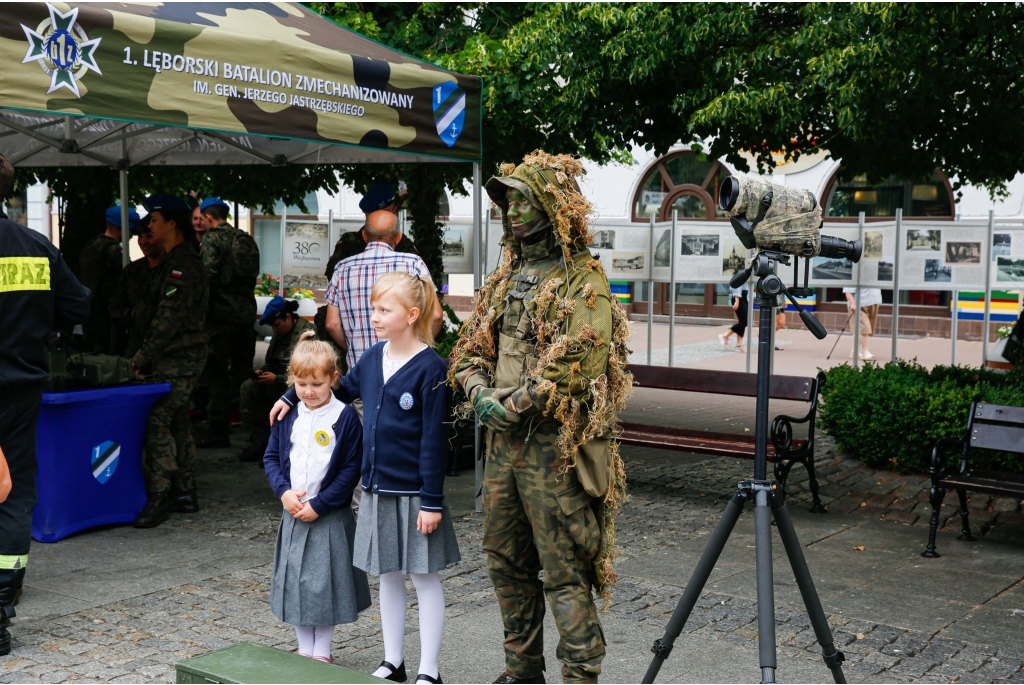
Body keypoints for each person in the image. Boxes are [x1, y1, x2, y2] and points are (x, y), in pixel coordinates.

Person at [449, 151, 631, 684]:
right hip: (503, 452)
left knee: (564, 569)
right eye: (509, 201)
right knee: (505, 561)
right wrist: (480, 392)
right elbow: (469, 348)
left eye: (525, 200)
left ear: (554, 207)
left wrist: (515, 405)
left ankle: (579, 675)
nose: (513, 211)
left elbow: (581, 362)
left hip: (554, 452)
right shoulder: (507, 276)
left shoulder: (584, 279)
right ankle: (521, 671)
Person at [273, 272, 459, 685]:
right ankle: (394, 662)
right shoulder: (374, 356)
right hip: (377, 491)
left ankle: (429, 670)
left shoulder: (432, 369)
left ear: (411, 315)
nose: (373, 316)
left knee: (424, 579)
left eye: (383, 310)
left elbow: (435, 442)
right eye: (373, 308)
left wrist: (432, 501)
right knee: (388, 577)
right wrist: (290, 395)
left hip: (415, 494)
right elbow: (334, 391)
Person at [0, 151, 91, 656]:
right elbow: (79, 304)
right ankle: (3, 599)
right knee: (12, 495)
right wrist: (36, 328)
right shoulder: (35, 247)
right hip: (20, 385)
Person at [263, 330, 370, 664]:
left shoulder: (345, 417)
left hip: (329, 515)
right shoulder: (288, 414)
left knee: (324, 584)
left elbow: (351, 469)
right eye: (301, 385)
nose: (308, 393)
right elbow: (270, 458)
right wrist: (283, 493)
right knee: (296, 581)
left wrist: (321, 504)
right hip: (294, 511)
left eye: (317, 385)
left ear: (334, 379)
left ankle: (322, 650)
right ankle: (303, 647)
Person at [131, 194, 209, 528]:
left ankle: (160, 495)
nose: (149, 226)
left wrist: (141, 358)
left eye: (154, 220)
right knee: (176, 419)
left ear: (171, 223)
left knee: (156, 417)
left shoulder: (181, 265)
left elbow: (168, 318)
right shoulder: (176, 259)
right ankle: (184, 491)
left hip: (179, 354)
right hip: (179, 353)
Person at [324, 210, 442, 376]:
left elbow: (332, 324)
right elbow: (436, 316)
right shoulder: (413, 263)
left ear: (364, 236)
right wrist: (417, 345)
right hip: (407, 372)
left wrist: (354, 346)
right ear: (398, 237)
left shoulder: (342, 268)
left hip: (361, 375)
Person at [196, 197, 260, 448]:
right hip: (245, 315)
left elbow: (206, 275)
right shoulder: (245, 238)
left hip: (220, 317)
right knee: (244, 373)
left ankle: (217, 430)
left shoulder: (212, 238)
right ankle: (255, 432)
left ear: (207, 217)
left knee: (218, 374)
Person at [237, 296, 313, 463]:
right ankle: (262, 441)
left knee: (289, 394)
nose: (274, 329)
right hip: (279, 382)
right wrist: (262, 373)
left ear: (288, 317)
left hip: (300, 387)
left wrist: (276, 379)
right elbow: (271, 363)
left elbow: (309, 374)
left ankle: (285, 449)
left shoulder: (307, 335)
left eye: (276, 325)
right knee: (248, 387)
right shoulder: (280, 335)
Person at [323, 183, 417, 278]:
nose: (395, 212)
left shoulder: (403, 242)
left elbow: (417, 280)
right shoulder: (349, 242)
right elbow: (333, 274)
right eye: (387, 213)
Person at [79, 206, 138, 352]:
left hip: (88, 317)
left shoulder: (89, 247)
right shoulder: (114, 252)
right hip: (107, 320)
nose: (132, 235)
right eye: (131, 230)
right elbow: (130, 280)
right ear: (122, 227)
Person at [108, 216, 166, 358]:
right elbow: (115, 307)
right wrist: (131, 314)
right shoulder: (132, 270)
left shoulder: (173, 268)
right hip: (134, 346)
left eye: (149, 236)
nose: (144, 242)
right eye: (140, 237)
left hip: (166, 347)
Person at [844, 286, 883, 361]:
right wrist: (852, 303)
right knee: (864, 328)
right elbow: (848, 290)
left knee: (860, 329)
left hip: (873, 302)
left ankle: (854, 351)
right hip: (859, 305)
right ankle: (865, 351)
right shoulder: (855, 274)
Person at [719, 284, 748, 352]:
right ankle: (725, 336)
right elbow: (736, 284)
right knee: (744, 322)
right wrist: (737, 300)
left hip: (743, 297)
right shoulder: (741, 273)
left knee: (743, 321)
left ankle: (739, 345)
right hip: (739, 297)